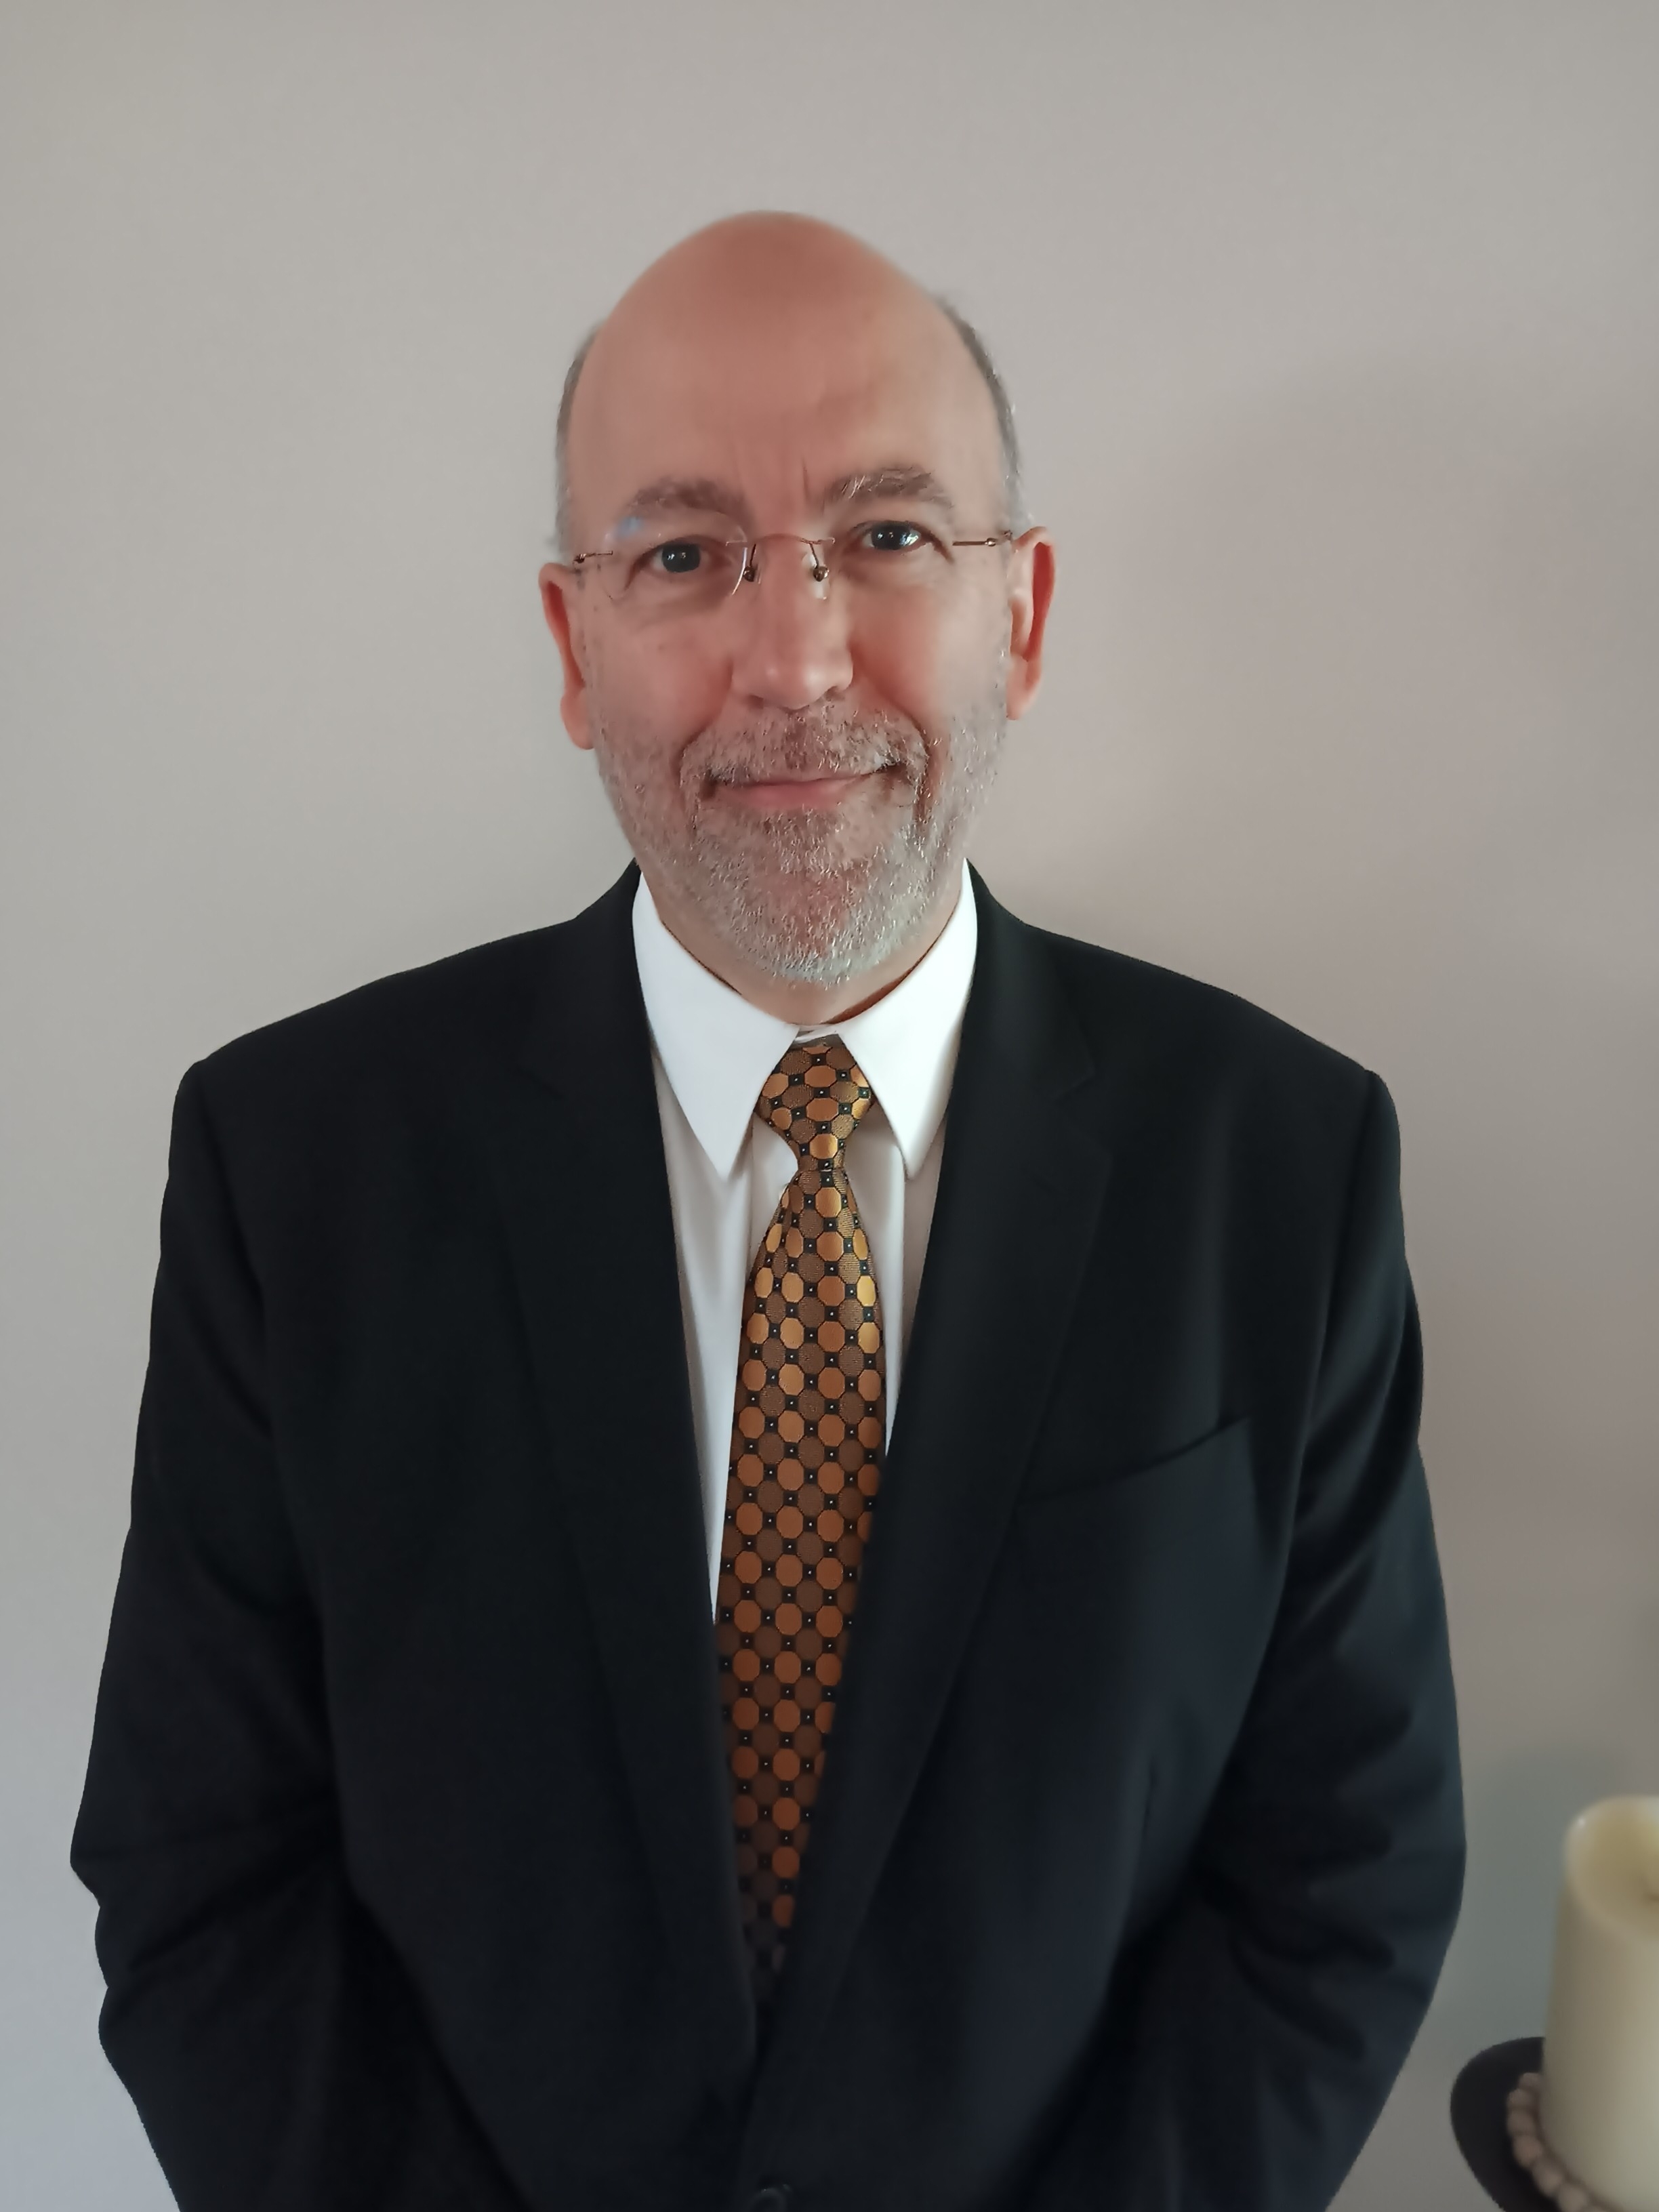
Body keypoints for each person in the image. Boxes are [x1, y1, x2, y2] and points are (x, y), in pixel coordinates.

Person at [72, 213, 1464, 2212]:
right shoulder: (292, 1170)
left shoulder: (1286, 1169)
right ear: (573, 646)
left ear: (1023, 616)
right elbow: (205, 1873)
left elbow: (1343, 1874)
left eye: (888, 536)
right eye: (681, 554)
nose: (797, 663)